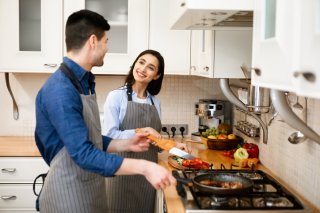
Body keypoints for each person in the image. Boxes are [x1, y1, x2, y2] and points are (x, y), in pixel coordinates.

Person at [34, 10, 175, 213]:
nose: (107, 48)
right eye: (106, 41)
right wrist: (145, 167)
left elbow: (91, 139)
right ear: (93, 41)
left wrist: (126, 143)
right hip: (67, 197)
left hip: (89, 190)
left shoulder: (83, 83)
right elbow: (83, 154)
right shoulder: (61, 89)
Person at [102, 49, 189, 213]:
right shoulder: (116, 97)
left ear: (156, 75)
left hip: (148, 176)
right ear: (134, 64)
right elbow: (109, 136)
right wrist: (142, 131)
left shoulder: (155, 102)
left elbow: (154, 142)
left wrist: (175, 146)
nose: (142, 69)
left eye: (150, 67)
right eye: (141, 62)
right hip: (121, 173)